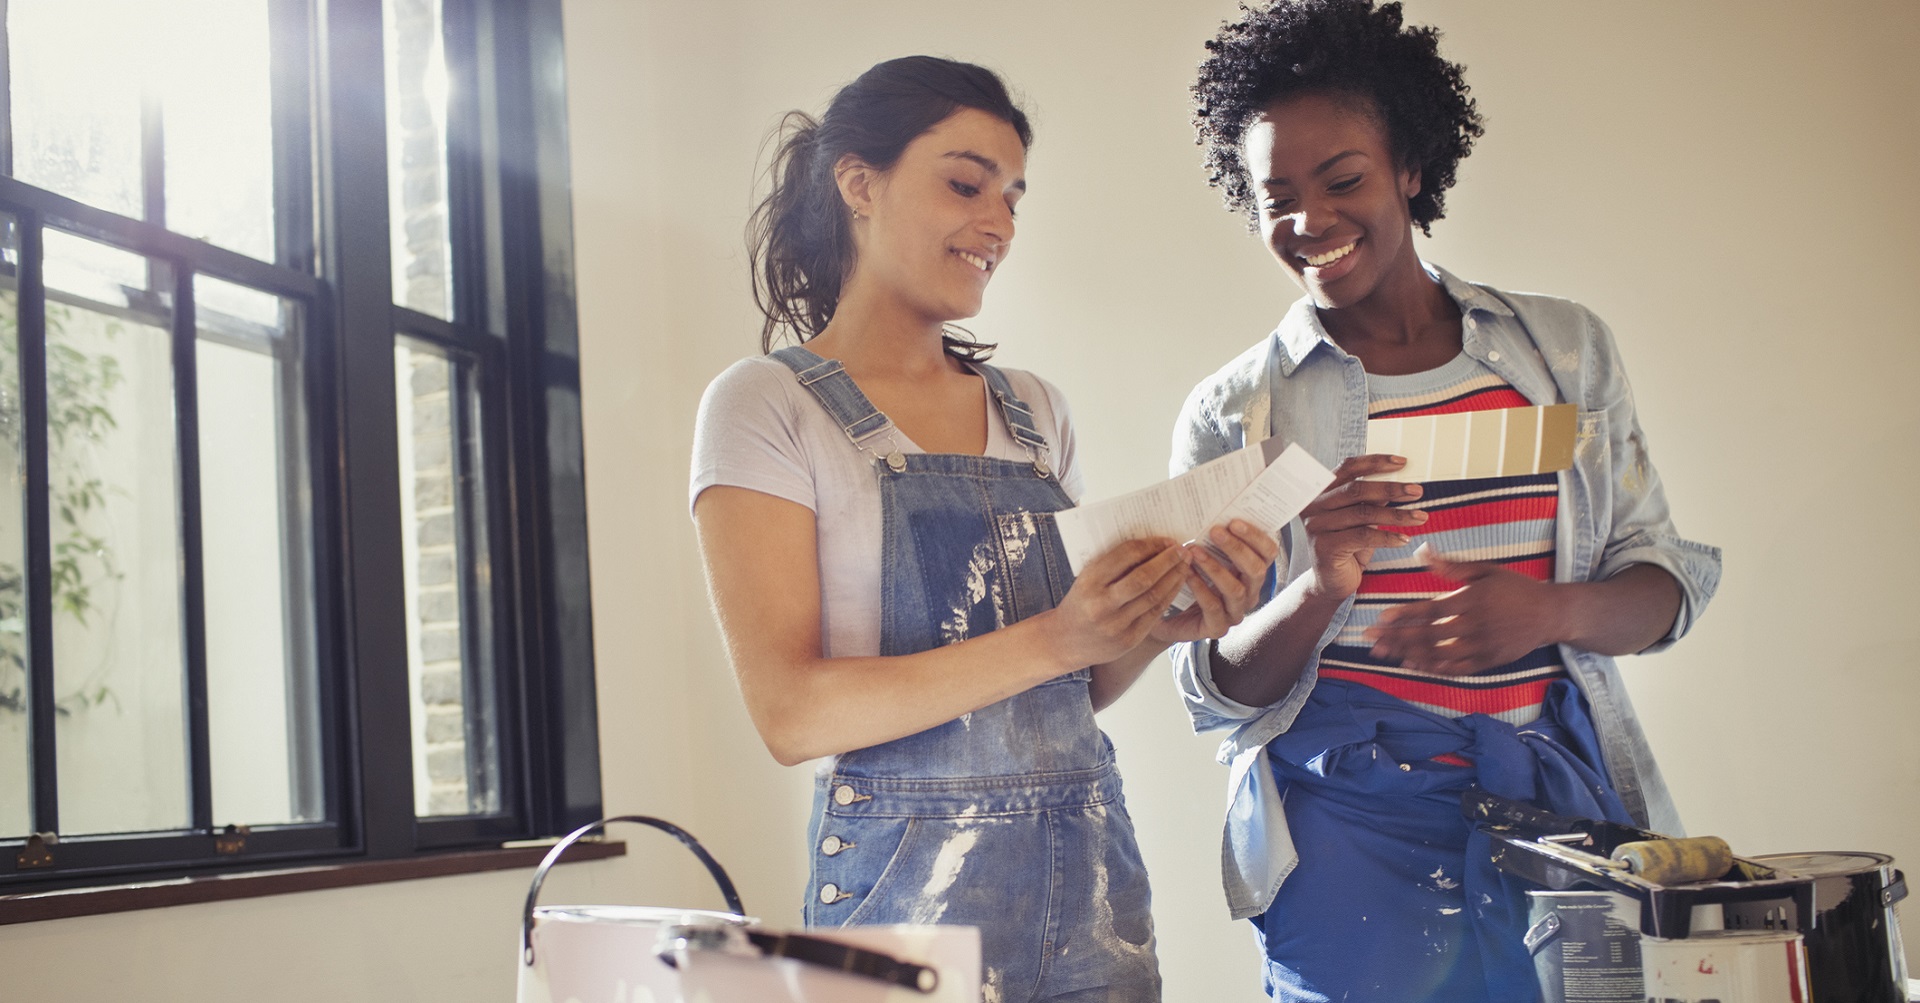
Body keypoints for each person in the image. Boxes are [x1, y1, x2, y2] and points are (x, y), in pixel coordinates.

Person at [690, 56, 1276, 1003]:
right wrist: (1059, 634)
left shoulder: (1039, 412)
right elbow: (793, 714)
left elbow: (1071, 688)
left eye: (1012, 196)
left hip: (1091, 896)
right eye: (966, 184)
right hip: (899, 905)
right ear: (859, 184)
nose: (998, 223)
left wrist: (1154, 619)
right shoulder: (765, 406)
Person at [1170, 3, 1723, 1000]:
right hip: (1345, 840)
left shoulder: (1563, 354)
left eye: (1343, 180)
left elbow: (1666, 579)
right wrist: (1319, 590)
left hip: (1559, 819)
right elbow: (1212, 693)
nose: (1310, 224)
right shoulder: (1237, 414)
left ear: (1412, 168)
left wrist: (1547, 611)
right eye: (1276, 196)